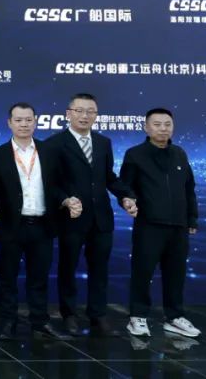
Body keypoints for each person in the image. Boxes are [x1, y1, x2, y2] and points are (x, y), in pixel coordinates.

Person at [46, 93, 137, 336]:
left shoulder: (103, 142)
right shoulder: (54, 144)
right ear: (68, 114)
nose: (84, 116)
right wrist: (65, 200)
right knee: (68, 268)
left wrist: (126, 196)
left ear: (96, 115)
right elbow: (50, 184)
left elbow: (108, 178)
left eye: (90, 111)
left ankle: (98, 315)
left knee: (100, 269)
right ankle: (69, 314)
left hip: (101, 218)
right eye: (79, 111)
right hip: (71, 218)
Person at [0, 103, 71, 340]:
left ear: (35, 122)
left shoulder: (50, 151)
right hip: (11, 225)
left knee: (39, 278)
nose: (24, 124)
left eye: (28, 120)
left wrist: (66, 199)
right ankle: (7, 322)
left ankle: (39, 322)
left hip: (43, 225)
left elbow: (57, 186)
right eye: (18, 120)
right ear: (9, 123)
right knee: (7, 278)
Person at [122, 108, 201, 339]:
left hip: (178, 226)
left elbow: (189, 189)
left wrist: (192, 218)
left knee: (176, 273)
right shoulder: (135, 154)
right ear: (146, 128)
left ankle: (174, 317)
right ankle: (137, 316)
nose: (163, 129)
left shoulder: (179, 154)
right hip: (149, 224)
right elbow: (125, 187)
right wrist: (128, 201)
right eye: (157, 124)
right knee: (142, 271)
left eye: (167, 124)